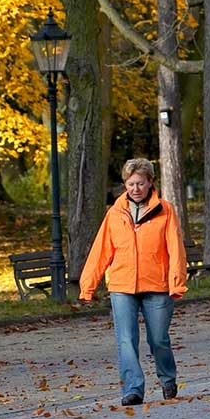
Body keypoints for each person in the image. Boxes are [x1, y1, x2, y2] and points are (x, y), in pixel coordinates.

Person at [80, 158, 188, 406]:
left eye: (140, 183)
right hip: (121, 286)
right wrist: (88, 286)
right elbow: (101, 251)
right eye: (130, 184)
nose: (135, 188)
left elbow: (176, 249)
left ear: (150, 183)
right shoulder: (115, 213)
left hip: (157, 285)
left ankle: (167, 378)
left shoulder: (166, 210)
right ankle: (133, 388)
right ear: (124, 184)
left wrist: (177, 282)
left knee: (158, 338)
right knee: (126, 339)